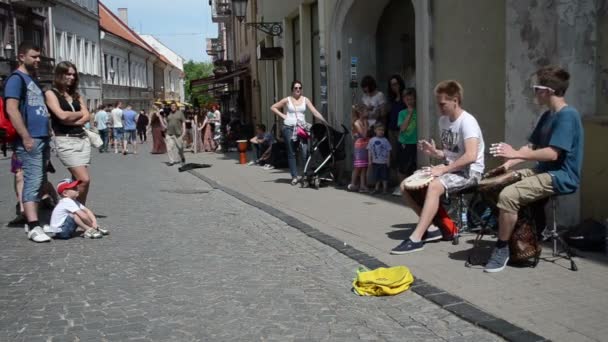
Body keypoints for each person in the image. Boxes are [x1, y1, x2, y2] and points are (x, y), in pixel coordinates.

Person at [484, 66, 583, 273]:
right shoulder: (548, 116)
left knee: (508, 195)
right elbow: (531, 146)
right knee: (498, 183)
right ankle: (521, 237)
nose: (534, 93)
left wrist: (515, 154)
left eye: (536, 88)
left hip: (561, 175)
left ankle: (502, 249)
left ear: (548, 91)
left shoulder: (568, 116)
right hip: (543, 171)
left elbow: (552, 154)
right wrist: (508, 164)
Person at [391, 80, 485, 255]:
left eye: (443, 104)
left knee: (434, 186)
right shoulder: (443, 121)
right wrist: (435, 152)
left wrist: (442, 170)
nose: (439, 108)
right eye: (438, 104)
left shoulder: (467, 122)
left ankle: (416, 238)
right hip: (453, 167)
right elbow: (451, 154)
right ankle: (433, 228)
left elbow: (471, 156)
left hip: (471, 172)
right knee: (406, 185)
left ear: (455, 100)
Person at [5, 41, 52, 242]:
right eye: (34, 56)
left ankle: (35, 222)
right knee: (32, 181)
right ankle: (33, 225)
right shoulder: (16, 79)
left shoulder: (32, 79)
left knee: (40, 180)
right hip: (30, 138)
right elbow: (11, 109)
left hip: (41, 137)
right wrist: (25, 136)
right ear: (21, 57)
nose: (38, 60)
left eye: (39, 57)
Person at [45, 61, 93, 205]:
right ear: (59, 74)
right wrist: (79, 115)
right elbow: (61, 116)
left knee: (76, 180)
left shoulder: (76, 95)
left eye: (73, 74)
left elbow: (87, 115)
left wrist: (74, 119)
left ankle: (73, 213)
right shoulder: (50, 93)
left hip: (82, 140)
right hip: (65, 141)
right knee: (84, 180)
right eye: (68, 74)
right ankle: (79, 211)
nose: (71, 77)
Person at [271, 80, 328, 185]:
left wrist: (324, 121)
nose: (298, 90)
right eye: (296, 88)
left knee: (304, 151)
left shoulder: (305, 100)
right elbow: (273, 107)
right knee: (291, 152)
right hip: (289, 128)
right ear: (292, 89)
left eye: (300, 88)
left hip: (301, 129)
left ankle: (306, 174)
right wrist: (284, 116)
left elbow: (314, 112)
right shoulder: (287, 100)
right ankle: (294, 176)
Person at [393, 87, 418, 196]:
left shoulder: (419, 112)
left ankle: (411, 188)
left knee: (412, 167)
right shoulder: (402, 113)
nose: (410, 102)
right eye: (407, 99)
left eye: (412, 99)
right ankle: (401, 187)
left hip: (414, 143)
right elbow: (402, 128)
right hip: (404, 142)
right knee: (401, 167)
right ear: (404, 100)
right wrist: (409, 114)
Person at [347, 104, 370, 192]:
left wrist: (366, 124)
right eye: (366, 111)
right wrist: (365, 124)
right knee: (358, 166)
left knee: (364, 166)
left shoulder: (365, 121)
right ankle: (353, 183)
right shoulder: (357, 123)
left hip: (365, 145)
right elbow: (364, 135)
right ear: (360, 113)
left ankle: (362, 185)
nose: (367, 113)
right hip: (359, 147)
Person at [386, 75, 406, 168]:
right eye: (392, 85)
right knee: (394, 154)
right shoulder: (391, 99)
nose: (394, 86)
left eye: (396, 84)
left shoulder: (405, 98)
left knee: (401, 153)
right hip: (391, 129)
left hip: (401, 130)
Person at [368, 123, 392, 195]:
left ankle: (385, 189)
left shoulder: (385, 140)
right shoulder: (372, 140)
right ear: (375, 130)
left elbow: (388, 151)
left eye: (382, 130)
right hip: (375, 162)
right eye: (379, 130)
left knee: (384, 176)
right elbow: (370, 150)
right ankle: (376, 188)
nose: (381, 131)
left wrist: (388, 160)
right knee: (376, 176)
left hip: (383, 162)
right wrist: (369, 160)